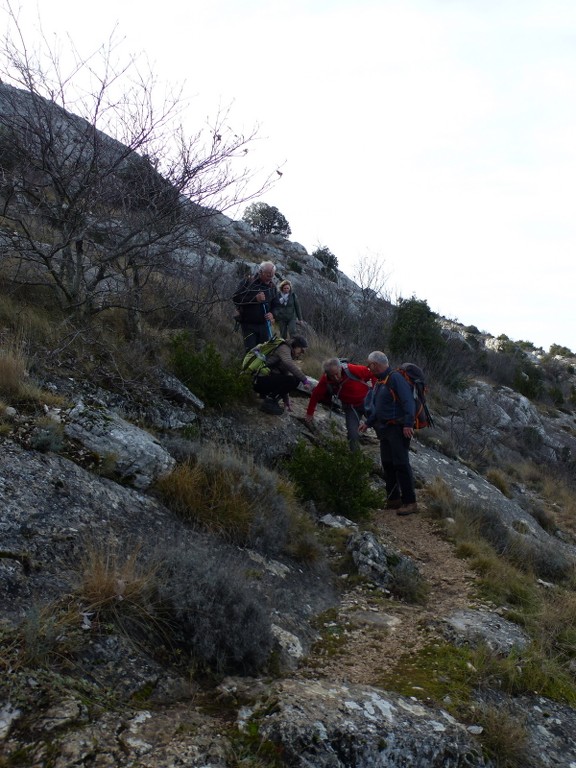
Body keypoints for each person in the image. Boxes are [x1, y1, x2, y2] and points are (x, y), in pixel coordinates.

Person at [359, 350, 418, 516]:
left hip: (398, 429)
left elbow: (408, 402)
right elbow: (379, 408)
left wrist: (408, 424)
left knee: (401, 464)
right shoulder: (380, 381)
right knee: (387, 463)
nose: (368, 368)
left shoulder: (395, 378)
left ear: (375, 365)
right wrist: (368, 423)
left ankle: (410, 502)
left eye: (369, 365)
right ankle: (393, 499)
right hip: (384, 428)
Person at [305, 358, 375, 451]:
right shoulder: (325, 379)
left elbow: (372, 374)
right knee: (352, 435)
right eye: (332, 375)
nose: (336, 378)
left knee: (380, 426)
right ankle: (356, 459)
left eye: (336, 374)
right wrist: (310, 413)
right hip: (350, 408)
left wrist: (375, 391)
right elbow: (316, 395)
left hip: (367, 403)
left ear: (340, 368)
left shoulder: (352, 369)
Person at [253, 336, 311, 415]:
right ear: (295, 345)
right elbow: (288, 364)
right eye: (302, 349)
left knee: (293, 380)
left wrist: (286, 400)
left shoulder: (288, 352)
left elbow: (285, 375)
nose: (302, 352)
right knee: (294, 379)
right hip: (258, 381)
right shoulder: (284, 348)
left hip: (263, 381)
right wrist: (304, 380)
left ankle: (270, 400)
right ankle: (269, 402)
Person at [232, 261, 279, 351]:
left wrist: (272, 314)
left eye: (272, 275)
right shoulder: (248, 282)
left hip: (264, 326)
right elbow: (236, 298)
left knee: (264, 352)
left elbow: (276, 305)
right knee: (252, 352)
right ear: (260, 272)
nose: (270, 277)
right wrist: (254, 299)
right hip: (248, 324)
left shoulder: (272, 287)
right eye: (268, 275)